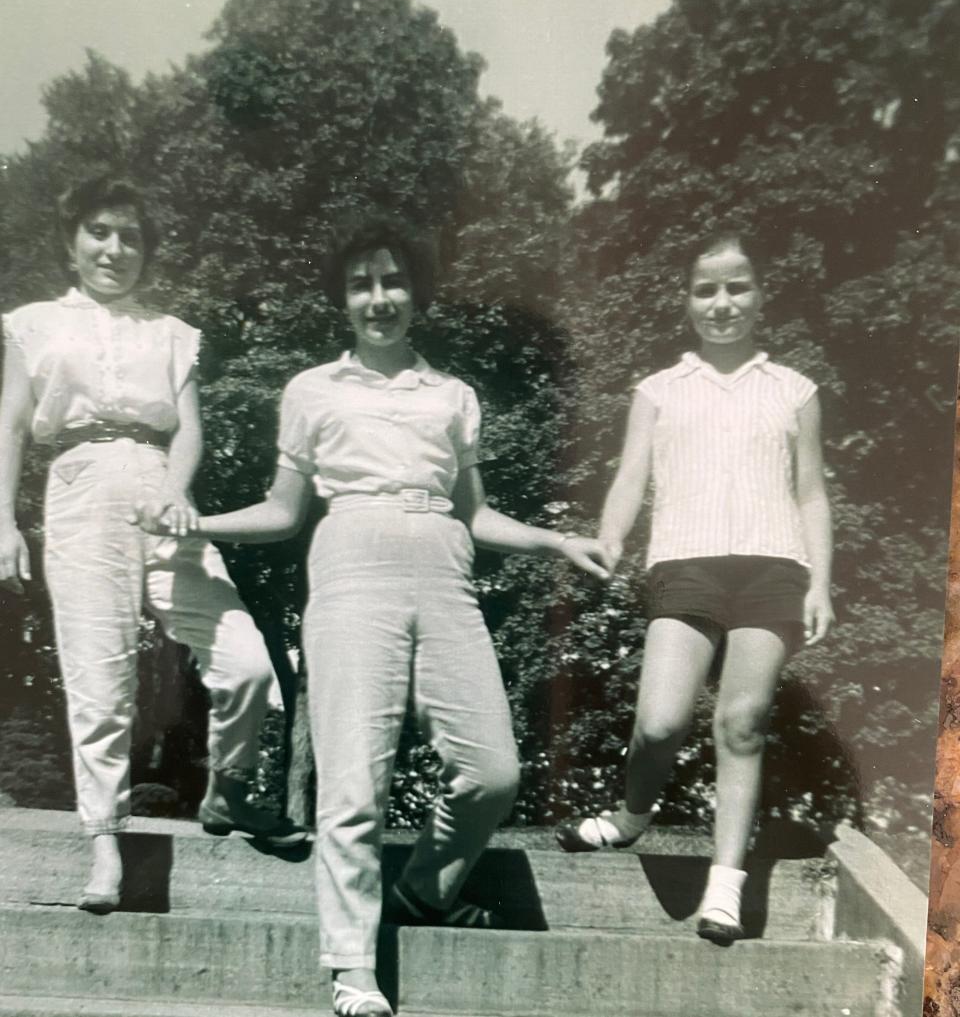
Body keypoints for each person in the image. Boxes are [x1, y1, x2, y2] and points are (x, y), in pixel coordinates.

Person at [136, 218, 610, 1017]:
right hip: (350, 561)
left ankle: (424, 888)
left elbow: (479, 514)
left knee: (493, 768)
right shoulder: (312, 390)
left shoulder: (452, 395)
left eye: (393, 281)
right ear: (344, 299)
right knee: (354, 777)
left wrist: (557, 538)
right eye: (362, 284)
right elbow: (285, 512)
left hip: (444, 563)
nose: (379, 297)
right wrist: (198, 521)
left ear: (416, 294)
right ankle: (354, 967)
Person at [0, 174, 304, 915]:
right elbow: (11, 421)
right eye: (100, 233)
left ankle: (228, 788)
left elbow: (190, 427)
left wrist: (176, 486)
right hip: (77, 486)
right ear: (73, 244)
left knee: (246, 661)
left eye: (130, 236)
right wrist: (3, 520)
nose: (114, 248)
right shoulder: (34, 324)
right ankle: (105, 837)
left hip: (161, 488)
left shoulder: (170, 333)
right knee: (100, 677)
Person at [555, 232, 834, 945]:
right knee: (660, 723)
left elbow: (809, 494)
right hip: (684, 563)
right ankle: (631, 815)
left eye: (737, 286)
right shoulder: (658, 391)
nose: (723, 302)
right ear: (687, 300)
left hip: (774, 567)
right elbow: (629, 476)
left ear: (760, 294)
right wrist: (611, 536)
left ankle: (724, 886)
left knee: (739, 723)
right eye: (707, 288)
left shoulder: (794, 391)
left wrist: (821, 582)